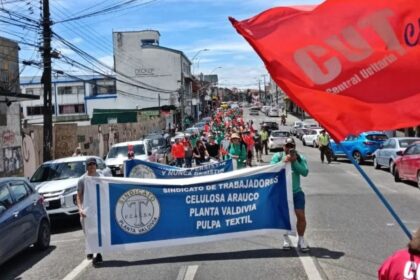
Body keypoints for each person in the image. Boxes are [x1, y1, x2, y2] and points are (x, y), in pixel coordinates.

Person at [270, 138, 310, 252]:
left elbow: (305, 172)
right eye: (287, 146)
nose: (289, 148)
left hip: (296, 192)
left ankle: (301, 238)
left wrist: (294, 161)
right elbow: (272, 169)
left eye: (291, 146)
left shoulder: (300, 158)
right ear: (283, 147)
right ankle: (286, 238)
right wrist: (284, 160)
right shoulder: (277, 156)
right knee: (284, 217)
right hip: (282, 192)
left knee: (301, 216)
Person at [76, 157, 103, 265]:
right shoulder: (82, 180)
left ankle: (98, 254)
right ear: (86, 167)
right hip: (86, 211)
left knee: (98, 232)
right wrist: (80, 209)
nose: (91, 167)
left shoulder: (101, 177)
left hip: (98, 210)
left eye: (93, 164)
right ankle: (91, 249)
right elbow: (78, 196)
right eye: (89, 165)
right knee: (88, 233)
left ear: (96, 166)